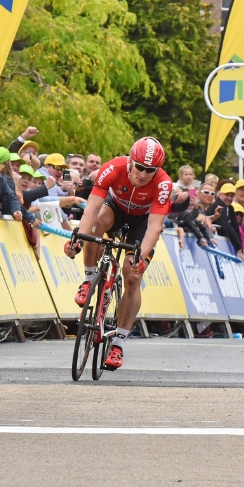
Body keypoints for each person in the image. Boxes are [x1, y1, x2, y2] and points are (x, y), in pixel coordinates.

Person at [64, 137, 172, 371]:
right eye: (140, 167)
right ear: (131, 161)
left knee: (132, 275)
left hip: (142, 222)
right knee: (97, 224)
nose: (143, 174)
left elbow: (154, 227)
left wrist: (140, 258)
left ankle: (118, 343)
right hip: (116, 209)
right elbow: (91, 207)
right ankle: (88, 278)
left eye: (150, 170)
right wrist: (79, 239)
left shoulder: (163, 184)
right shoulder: (113, 167)